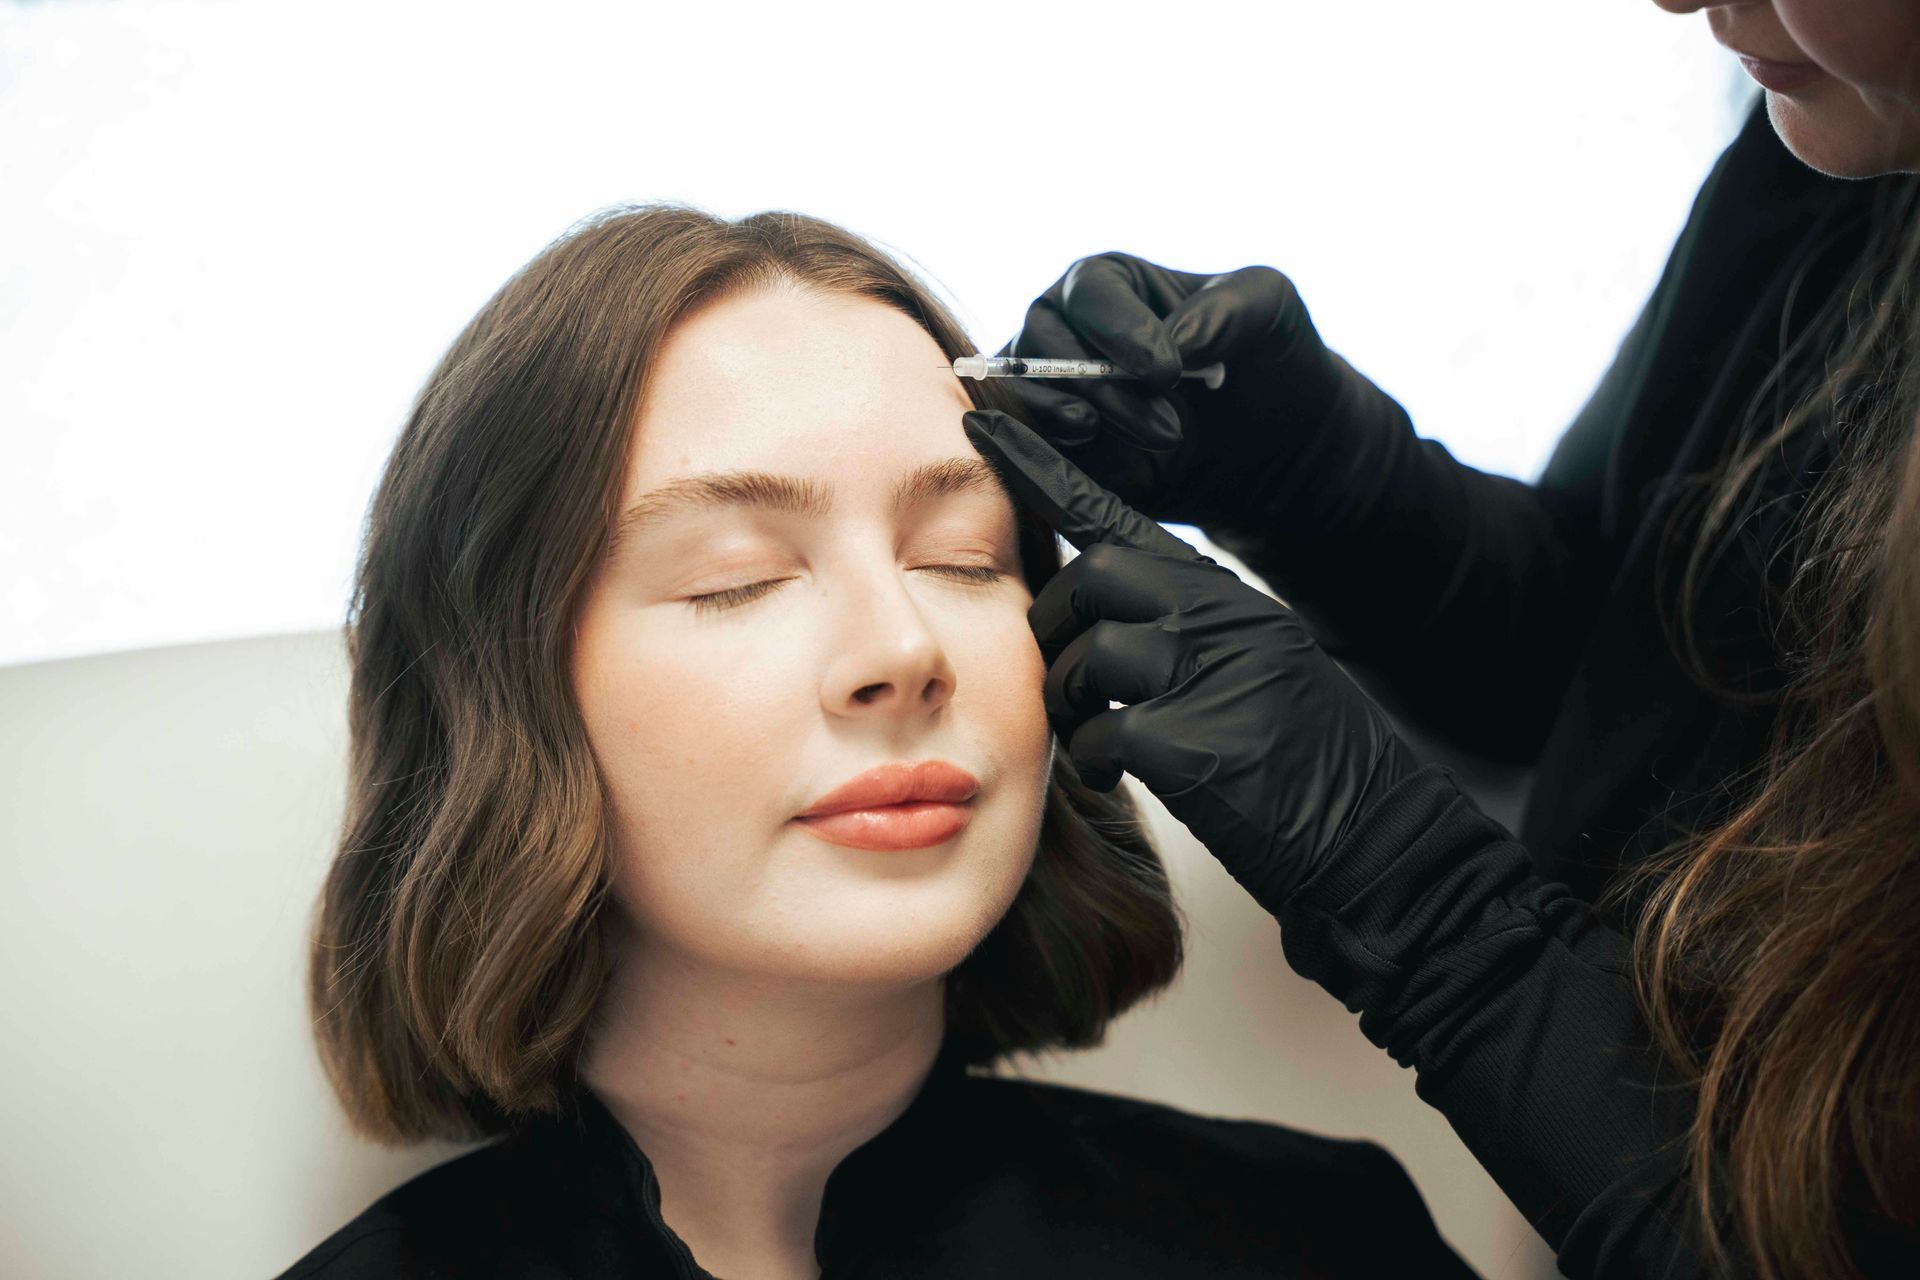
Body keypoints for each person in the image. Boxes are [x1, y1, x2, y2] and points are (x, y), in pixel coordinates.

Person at [276, 205, 1474, 1279]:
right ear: (497, 689)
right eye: (734, 578)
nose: (902, 648)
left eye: (962, 556)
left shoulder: (1323, 1238)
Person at [963, 1, 1920, 1277]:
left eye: (945, 553)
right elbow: (1615, 667)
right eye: (740, 579)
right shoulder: (1850, 143)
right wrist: (1337, 490)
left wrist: (1406, 883)